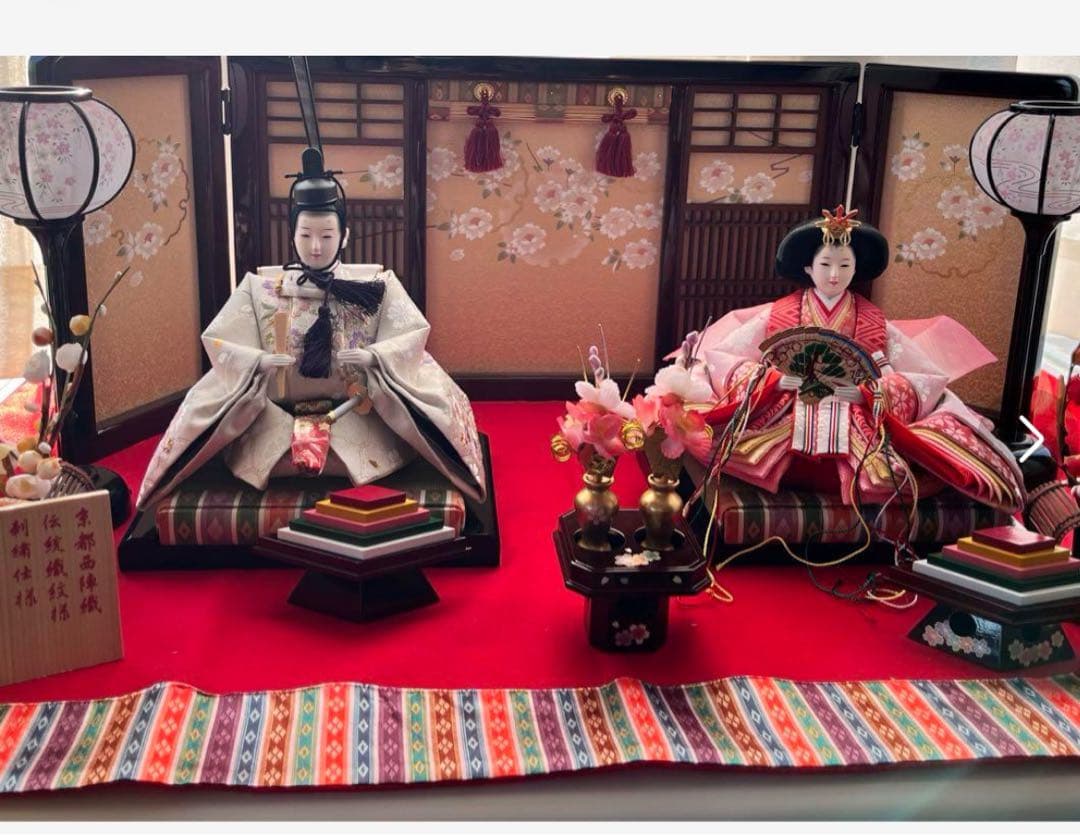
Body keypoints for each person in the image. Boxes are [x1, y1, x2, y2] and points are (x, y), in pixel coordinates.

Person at [136, 148, 486, 509]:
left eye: (327, 236)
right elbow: (221, 340)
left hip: (359, 415)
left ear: (345, 236)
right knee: (259, 445)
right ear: (292, 236)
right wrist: (258, 362)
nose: (316, 247)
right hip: (273, 419)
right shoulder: (259, 289)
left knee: (403, 424)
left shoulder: (375, 287)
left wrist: (374, 357)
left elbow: (410, 335)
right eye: (305, 236)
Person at [693, 206, 1024, 514]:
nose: (834, 275)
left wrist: (869, 393)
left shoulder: (872, 322)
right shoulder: (779, 315)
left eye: (844, 266)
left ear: (856, 269)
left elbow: (927, 376)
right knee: (719, 441)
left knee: (892, 469)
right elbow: (723, 357)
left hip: (854, 420)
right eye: (825, 265)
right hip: (785, 414)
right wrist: (774, 381)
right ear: (808, 268)